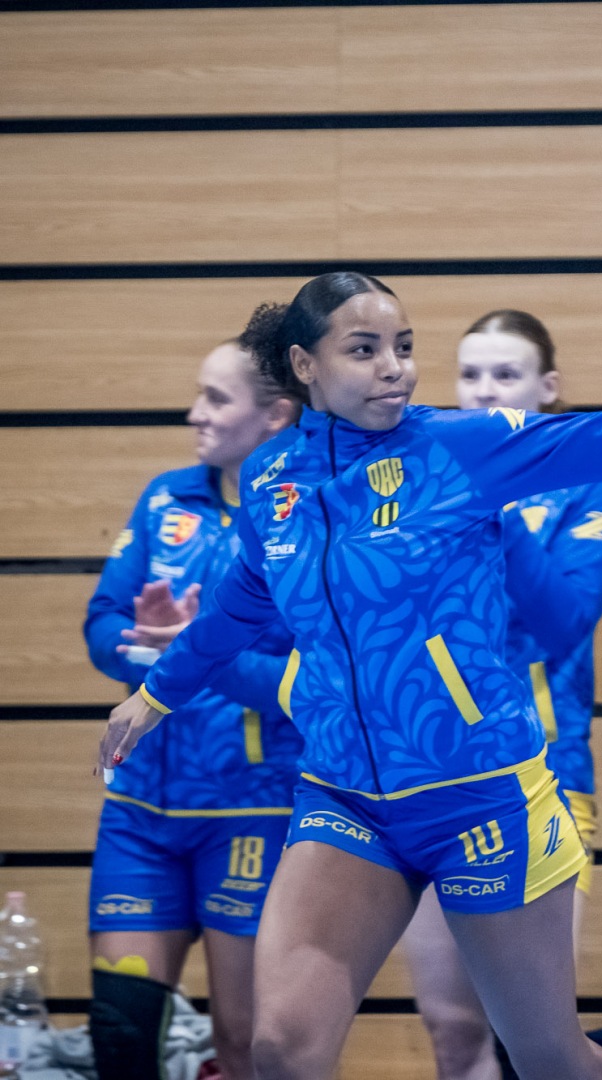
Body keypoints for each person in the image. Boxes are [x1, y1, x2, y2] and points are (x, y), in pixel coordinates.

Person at [95, 201, 602, 1080]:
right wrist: (154, 695)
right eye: (364, 349)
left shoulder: (465, 447)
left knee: (548, 1060)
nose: (395, 368)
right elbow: (242, 603)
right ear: (304, 365)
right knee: (281, 1051)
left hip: (480, 794)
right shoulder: (271, 476)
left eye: (403, 346)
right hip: (344, 798)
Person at [401, 309, 602, 1080]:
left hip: (544, 781)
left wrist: (497, 516)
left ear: (547, 388)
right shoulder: (415, 485)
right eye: (470, 375)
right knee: (452, 1030)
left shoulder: (584, 485)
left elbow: (563, 623)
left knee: (540, 1041)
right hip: (430, 781)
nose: (484, 391)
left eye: (506, 374)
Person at [84, 339, 303, 1080]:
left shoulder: (304, 517)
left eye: (216, 398)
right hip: (140, 811)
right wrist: (148, 651)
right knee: (120, 1038)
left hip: (252, 811)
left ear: (276, 415)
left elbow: (308, 679)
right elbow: (103, 622)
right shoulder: (164, 498)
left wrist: (198, 654)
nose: (194, 414)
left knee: (246, 1043)